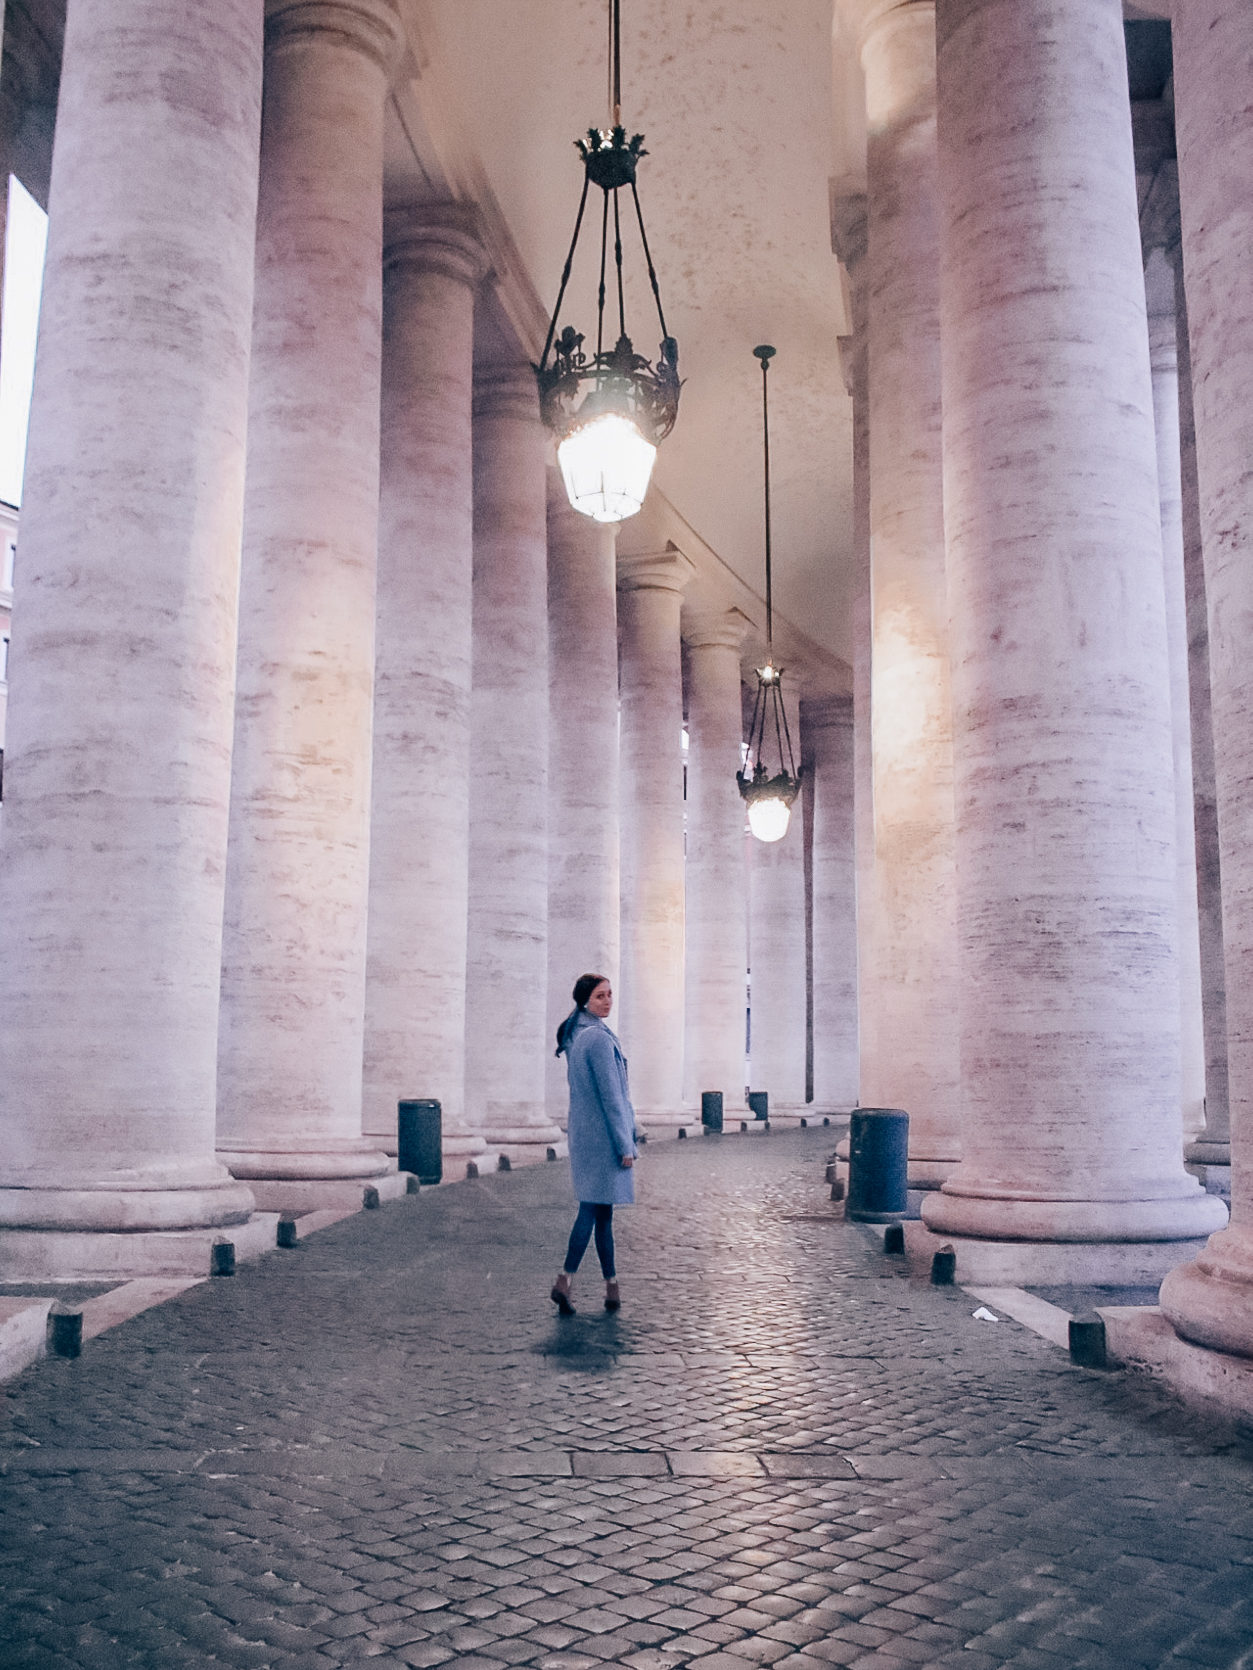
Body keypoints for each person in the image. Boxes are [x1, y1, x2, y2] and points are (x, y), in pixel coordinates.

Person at [550, 973, 637, 1315]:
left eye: (610, 995)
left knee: (601, 1213)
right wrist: (625, 1145)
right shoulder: (598, 1040)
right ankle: (565, 1278)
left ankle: (611, 1288)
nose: (608, 1001)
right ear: (586, 999)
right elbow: (612, 1098)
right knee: (592, 1211)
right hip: (604, 1139)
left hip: (585, 1135)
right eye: (601, 996)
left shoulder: (576, 1034)